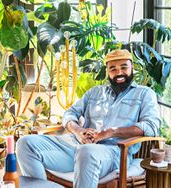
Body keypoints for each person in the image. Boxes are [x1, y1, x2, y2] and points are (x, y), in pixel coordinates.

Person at [16, 49, 161, 188]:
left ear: (132, 68)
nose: (119, 73)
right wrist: (78, 131)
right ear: (107, 72)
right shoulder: (95, 93)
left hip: (114, 152)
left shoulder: (145, 94)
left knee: (87, 152)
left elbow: (151, 127)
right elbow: (69, 113)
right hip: (76, 147)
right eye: (113, 69)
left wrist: (110, 132)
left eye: (124, 67)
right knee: (25, 144)